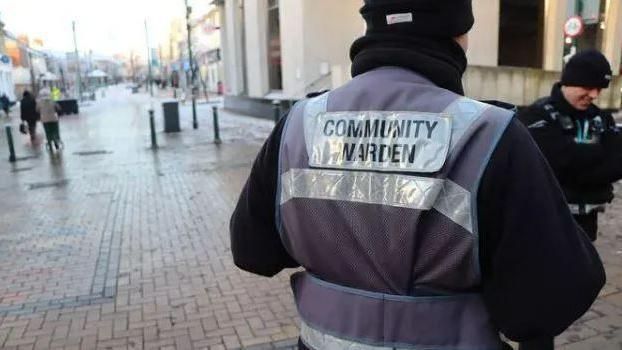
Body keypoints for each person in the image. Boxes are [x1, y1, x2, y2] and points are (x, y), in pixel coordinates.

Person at [230, 1, 605, 349]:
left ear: (371, 25)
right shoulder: (490, 134)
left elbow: (252, 252)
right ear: (459, 35)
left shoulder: (297, 125)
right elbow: (549, 302)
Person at [517, 50, 622, 242]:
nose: (594, 95)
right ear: (569, 81)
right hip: (545, 221)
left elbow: (617, 163)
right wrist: (599, 156)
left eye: (599, 89)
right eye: (588, 86)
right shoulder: (536, 116)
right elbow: (551, 164)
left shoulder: (602, 118)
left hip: (587, 225)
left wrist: (576, 160)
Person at [36, 88, 62, 152]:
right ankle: (56, 140)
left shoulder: (39, 103)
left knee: (48, 132)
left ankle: (50, 144)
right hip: (54, 119)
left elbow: (37, 110)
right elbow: (58, 108)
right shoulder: (52, 101)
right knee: (55, 131)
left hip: (45, 120)